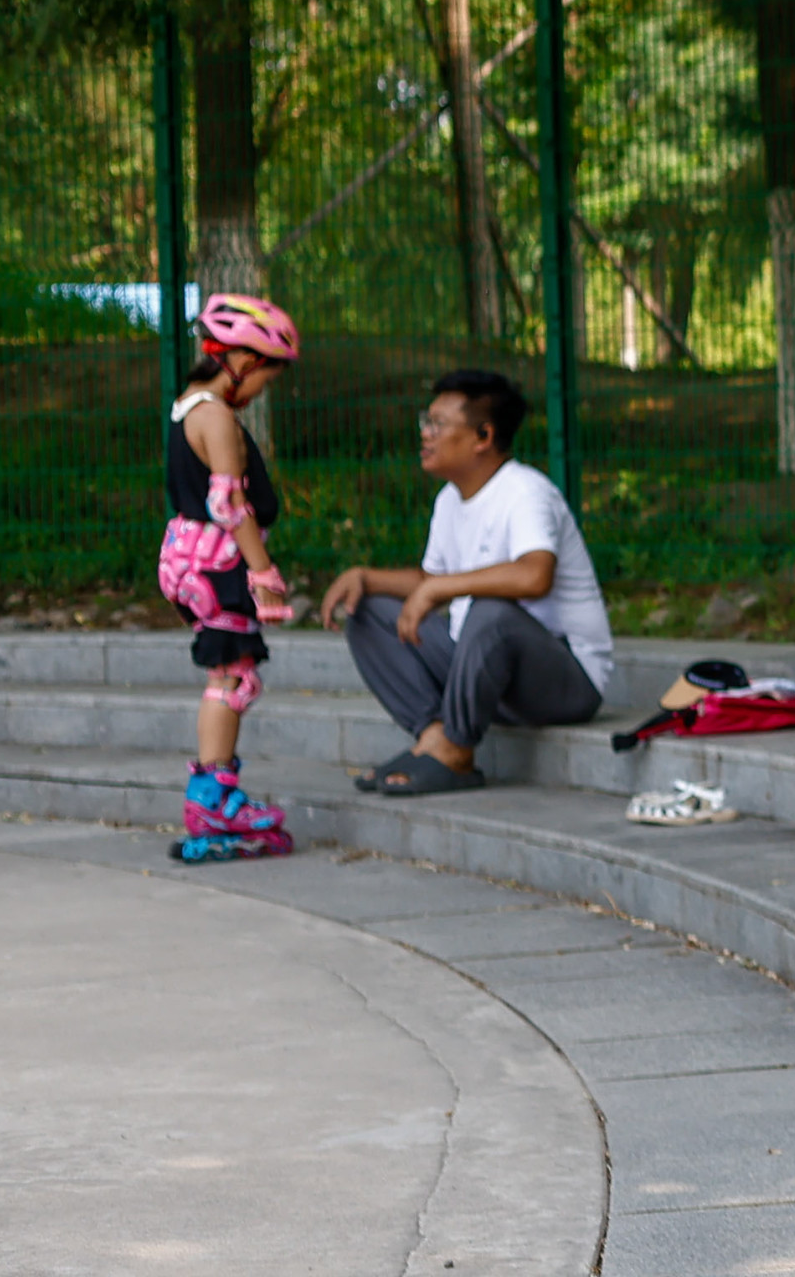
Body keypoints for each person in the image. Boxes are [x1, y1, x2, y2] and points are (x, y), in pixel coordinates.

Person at [317, 369, 616, 797]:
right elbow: (430, 579)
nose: (425, 434)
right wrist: (364, 576)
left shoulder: (525, 492)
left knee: (489, 610)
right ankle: (435, 735)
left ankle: (456, 750)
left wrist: (437, 589)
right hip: (484, 666)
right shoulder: (450, 499)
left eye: (437, 424)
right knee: (368, 610)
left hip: (564, 681)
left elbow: (534, 575)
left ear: (483, 436)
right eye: (426, 421)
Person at [154, 294, 301, 863]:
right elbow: (228, 501)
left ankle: (214, 798)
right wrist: (263, 570)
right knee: (231, 679)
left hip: (192, 557)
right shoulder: (214, 414)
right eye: (266, 374)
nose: (264, 388)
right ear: (240, 358)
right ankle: (213, 800)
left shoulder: (187, 405)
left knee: (229, 673)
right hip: (218, 562)